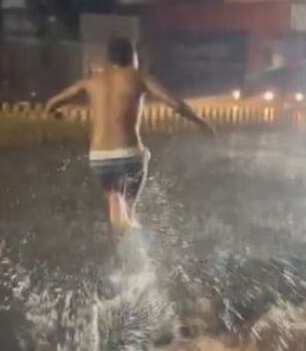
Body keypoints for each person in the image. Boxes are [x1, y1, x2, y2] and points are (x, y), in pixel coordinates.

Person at [45, 37, 214, 235]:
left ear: (109, 59)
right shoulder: (138, 77)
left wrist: (56, 114)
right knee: (142, 163)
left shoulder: (91, 81)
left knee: (114, 195)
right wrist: (201, 122)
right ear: (133, 57)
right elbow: (175, 104)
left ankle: (122, 228)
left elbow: (51, 104)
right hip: (129, 156)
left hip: (100, 158)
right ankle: (131, 222)